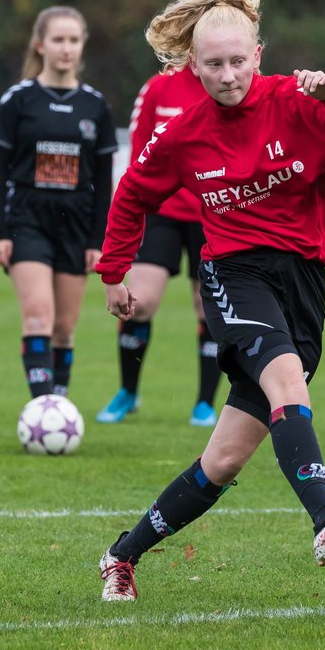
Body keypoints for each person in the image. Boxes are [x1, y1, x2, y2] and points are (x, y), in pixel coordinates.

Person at [94, 0, 325, 601]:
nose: (227, 75)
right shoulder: (184, 133)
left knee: (224, 463)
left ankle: (120, 556)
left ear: (257, 55)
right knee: (289, 383)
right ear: (193, 66)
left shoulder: (300, 100)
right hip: (234, 276)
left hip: (303, 281)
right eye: (213, 65)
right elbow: (133, 194)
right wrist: (113, 273)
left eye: (238, 61)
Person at [0, 6, 118, 401]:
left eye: (74, 41)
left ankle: (58, 402)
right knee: (39, 315)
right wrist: (0, 234)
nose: (66, 49)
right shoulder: (18, 100)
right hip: (27, 219)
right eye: (58, 40)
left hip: (77, 223)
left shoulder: (96, 106)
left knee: (64, 328)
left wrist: (100, 242)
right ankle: (44, 407)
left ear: (82, 47)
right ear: (41, 45)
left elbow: (104, 182)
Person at [95, 64, 224, 427]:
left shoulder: (229, 83)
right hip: (161, 212)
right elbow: (138, 156)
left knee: (208, 306)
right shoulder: (157, 88)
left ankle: (204, 403)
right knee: (141, 302)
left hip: (212, 211)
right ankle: (128, 393)